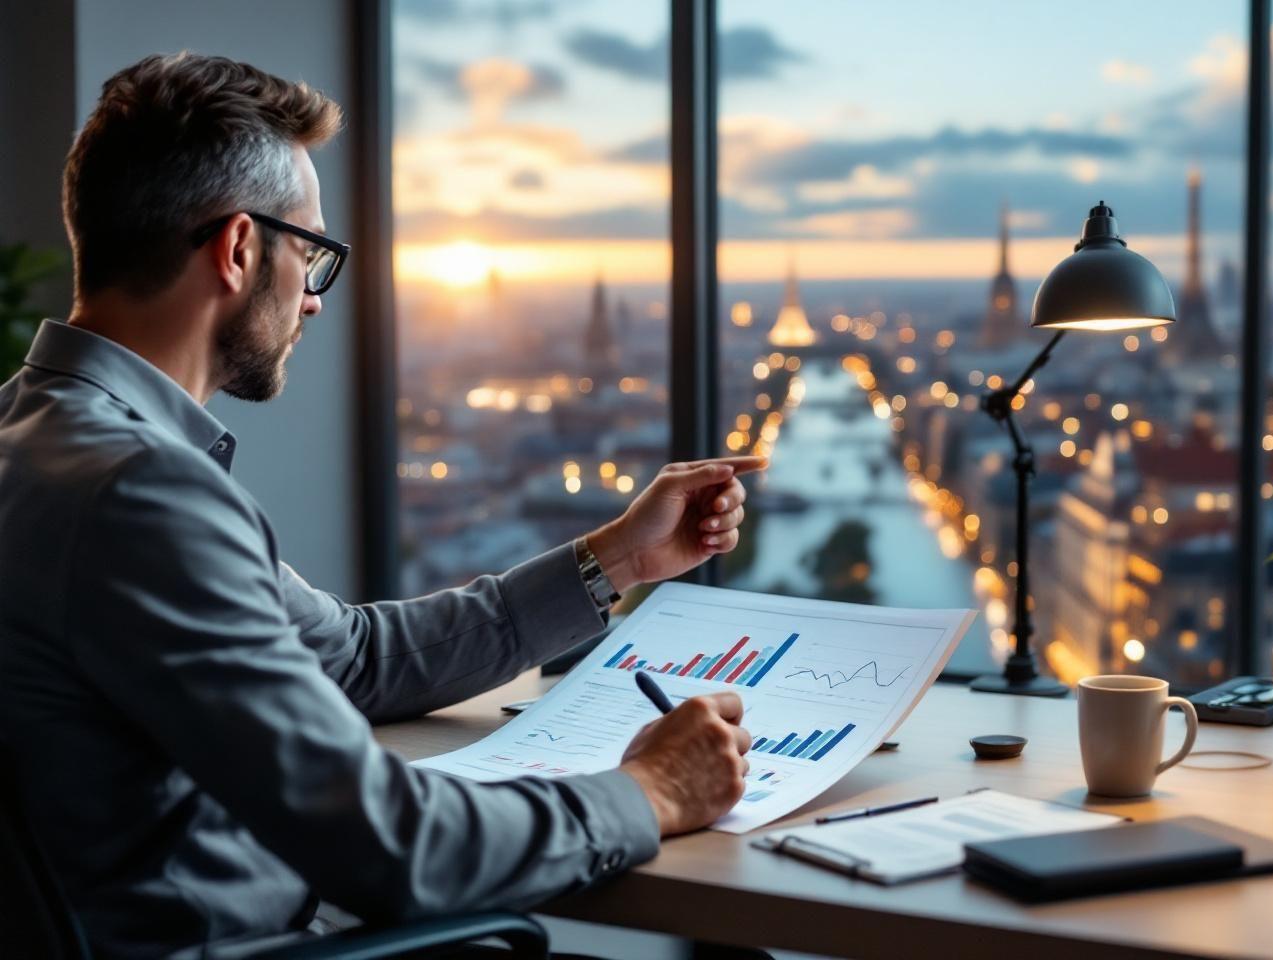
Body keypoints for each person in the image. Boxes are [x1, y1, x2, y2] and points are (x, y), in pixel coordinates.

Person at [0, 52, 763, 959]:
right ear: (240, 250)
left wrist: (617, 562)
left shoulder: (41, 442)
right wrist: (653, 791)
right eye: (313, 254)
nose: (317, 301)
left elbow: (349, 657)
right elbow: (391, 848)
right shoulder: (141, 494)